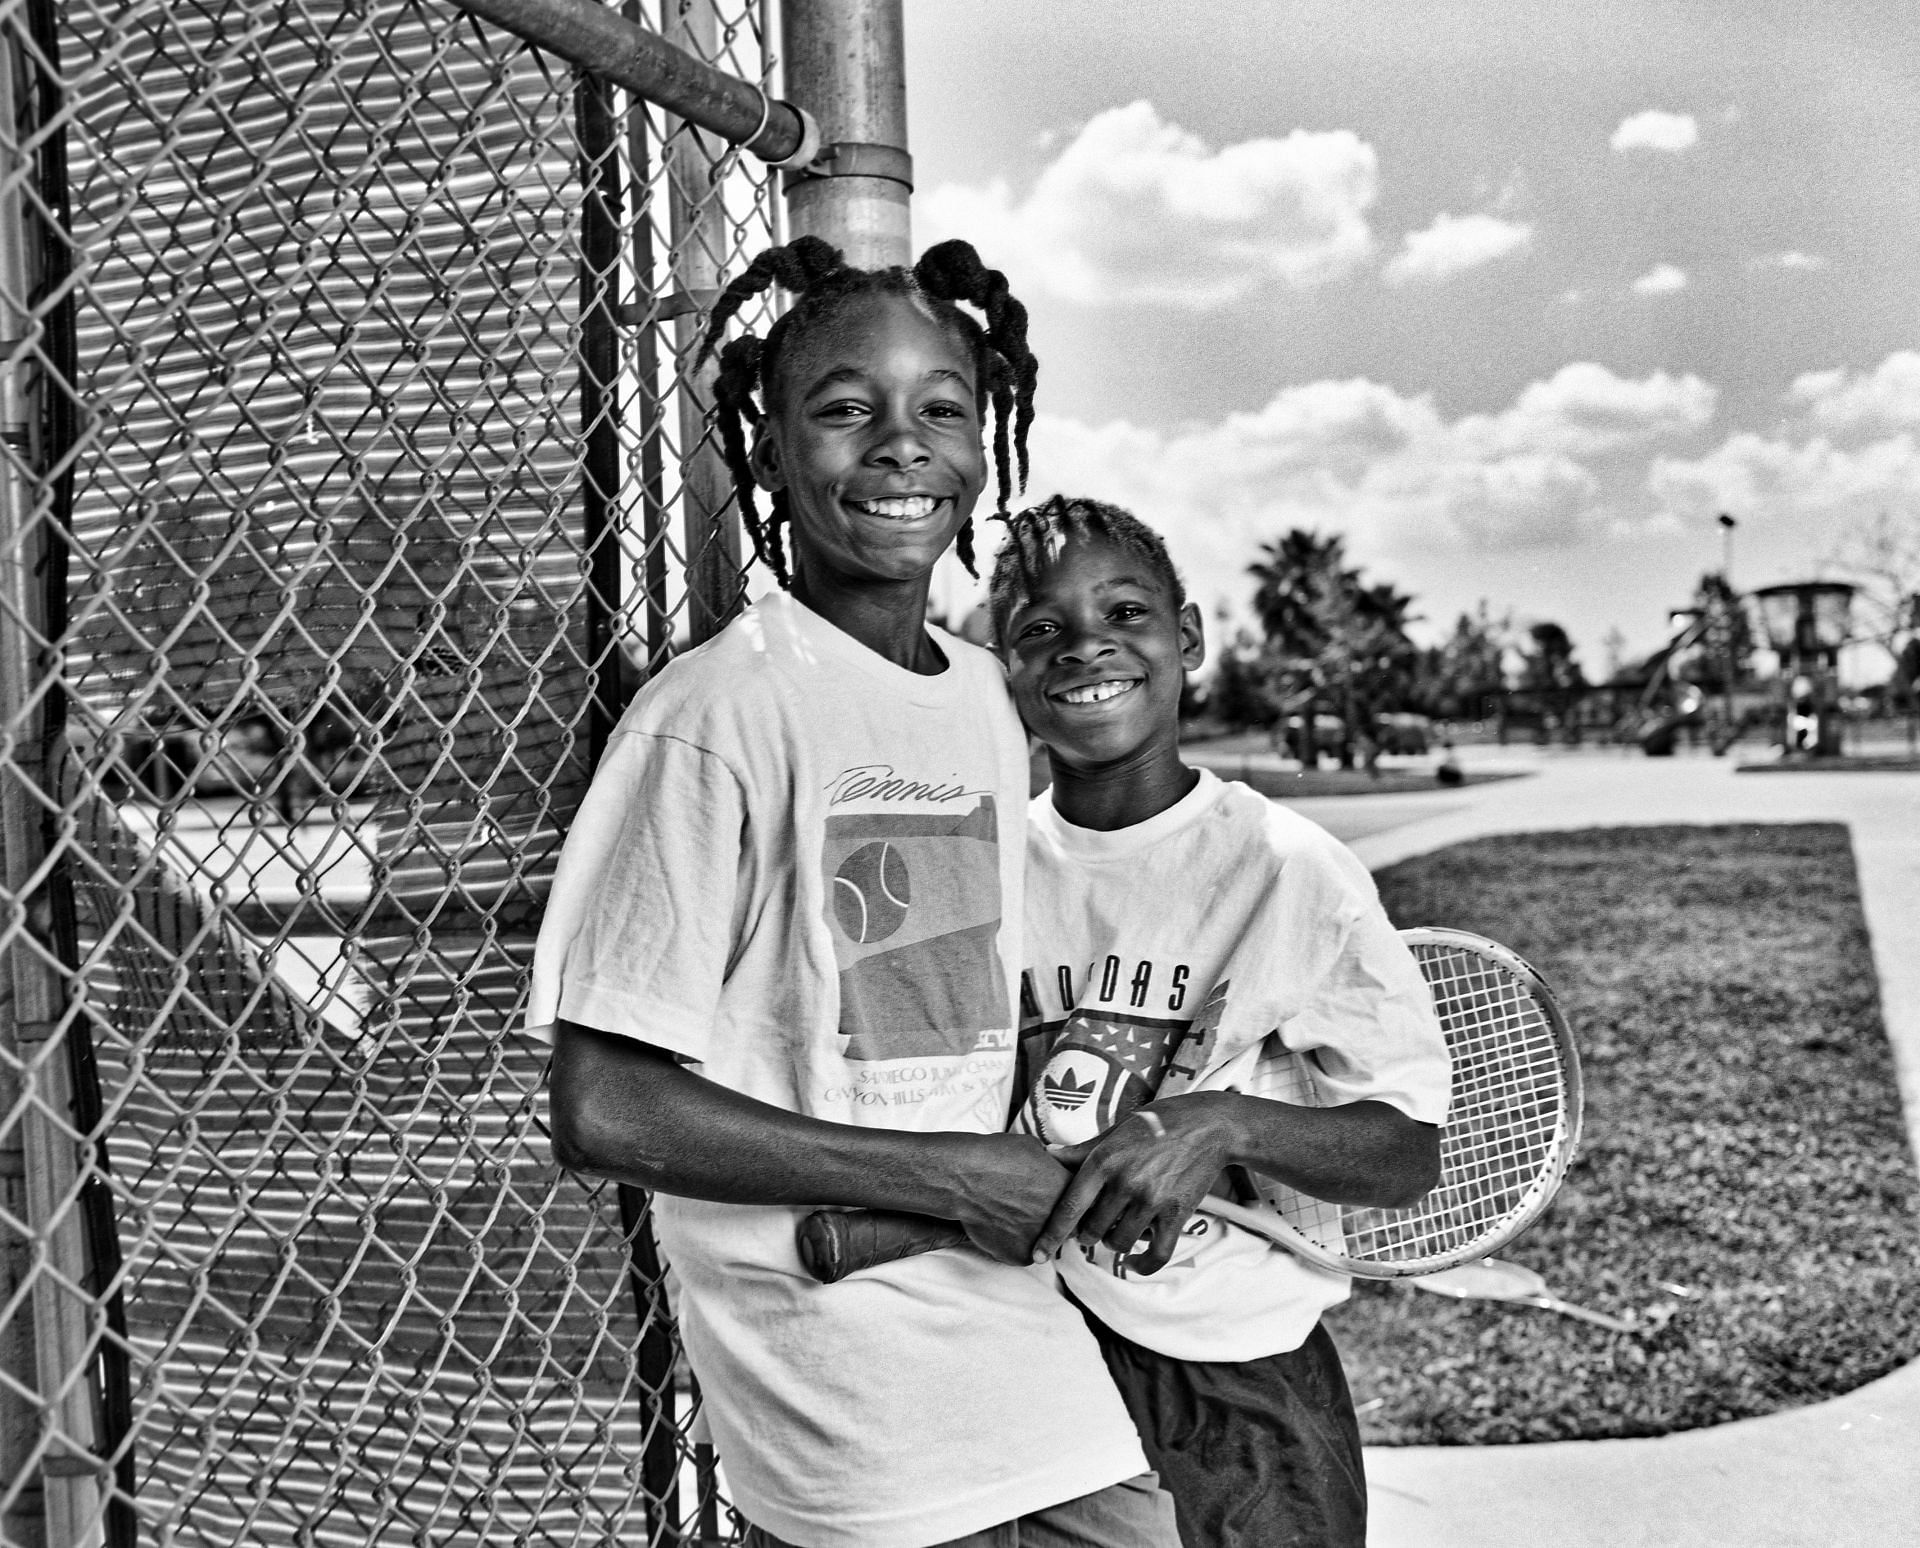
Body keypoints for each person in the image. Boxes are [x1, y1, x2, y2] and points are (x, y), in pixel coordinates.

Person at [528, 241, 1178, 1548]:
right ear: (768, 451)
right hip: (852, 1418)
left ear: (986, 440)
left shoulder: (998, 702)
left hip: (1029, 1355)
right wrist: (950, 1178)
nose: (900, 445)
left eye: (942, 407)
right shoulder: (717, 718)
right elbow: (604, 1103)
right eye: (843, 409)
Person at [987, 494, 1451, 1548]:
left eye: (1125, 613)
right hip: (1031, 1359)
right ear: (1002, 671)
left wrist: (1223, 1123)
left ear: (1187, 638)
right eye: (1040, 630)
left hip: (1243, 1380)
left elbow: (1406, 1151)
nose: (1086, 647)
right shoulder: (983, 871)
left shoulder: (1288, 869)